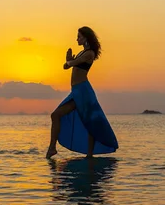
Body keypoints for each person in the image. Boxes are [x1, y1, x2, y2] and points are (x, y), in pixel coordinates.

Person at [46, 26, 119, 159]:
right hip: (76, 91)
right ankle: (52, 148)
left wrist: (69, 60)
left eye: (79, 36)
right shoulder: (82, 52)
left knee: (90, 122)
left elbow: (72, 63)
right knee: (56, 115)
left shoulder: (89, 53)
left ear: (86, 37)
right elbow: (66, 66)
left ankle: (89, 155)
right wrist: (68, 60)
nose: (77, 39)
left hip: (83, 91)